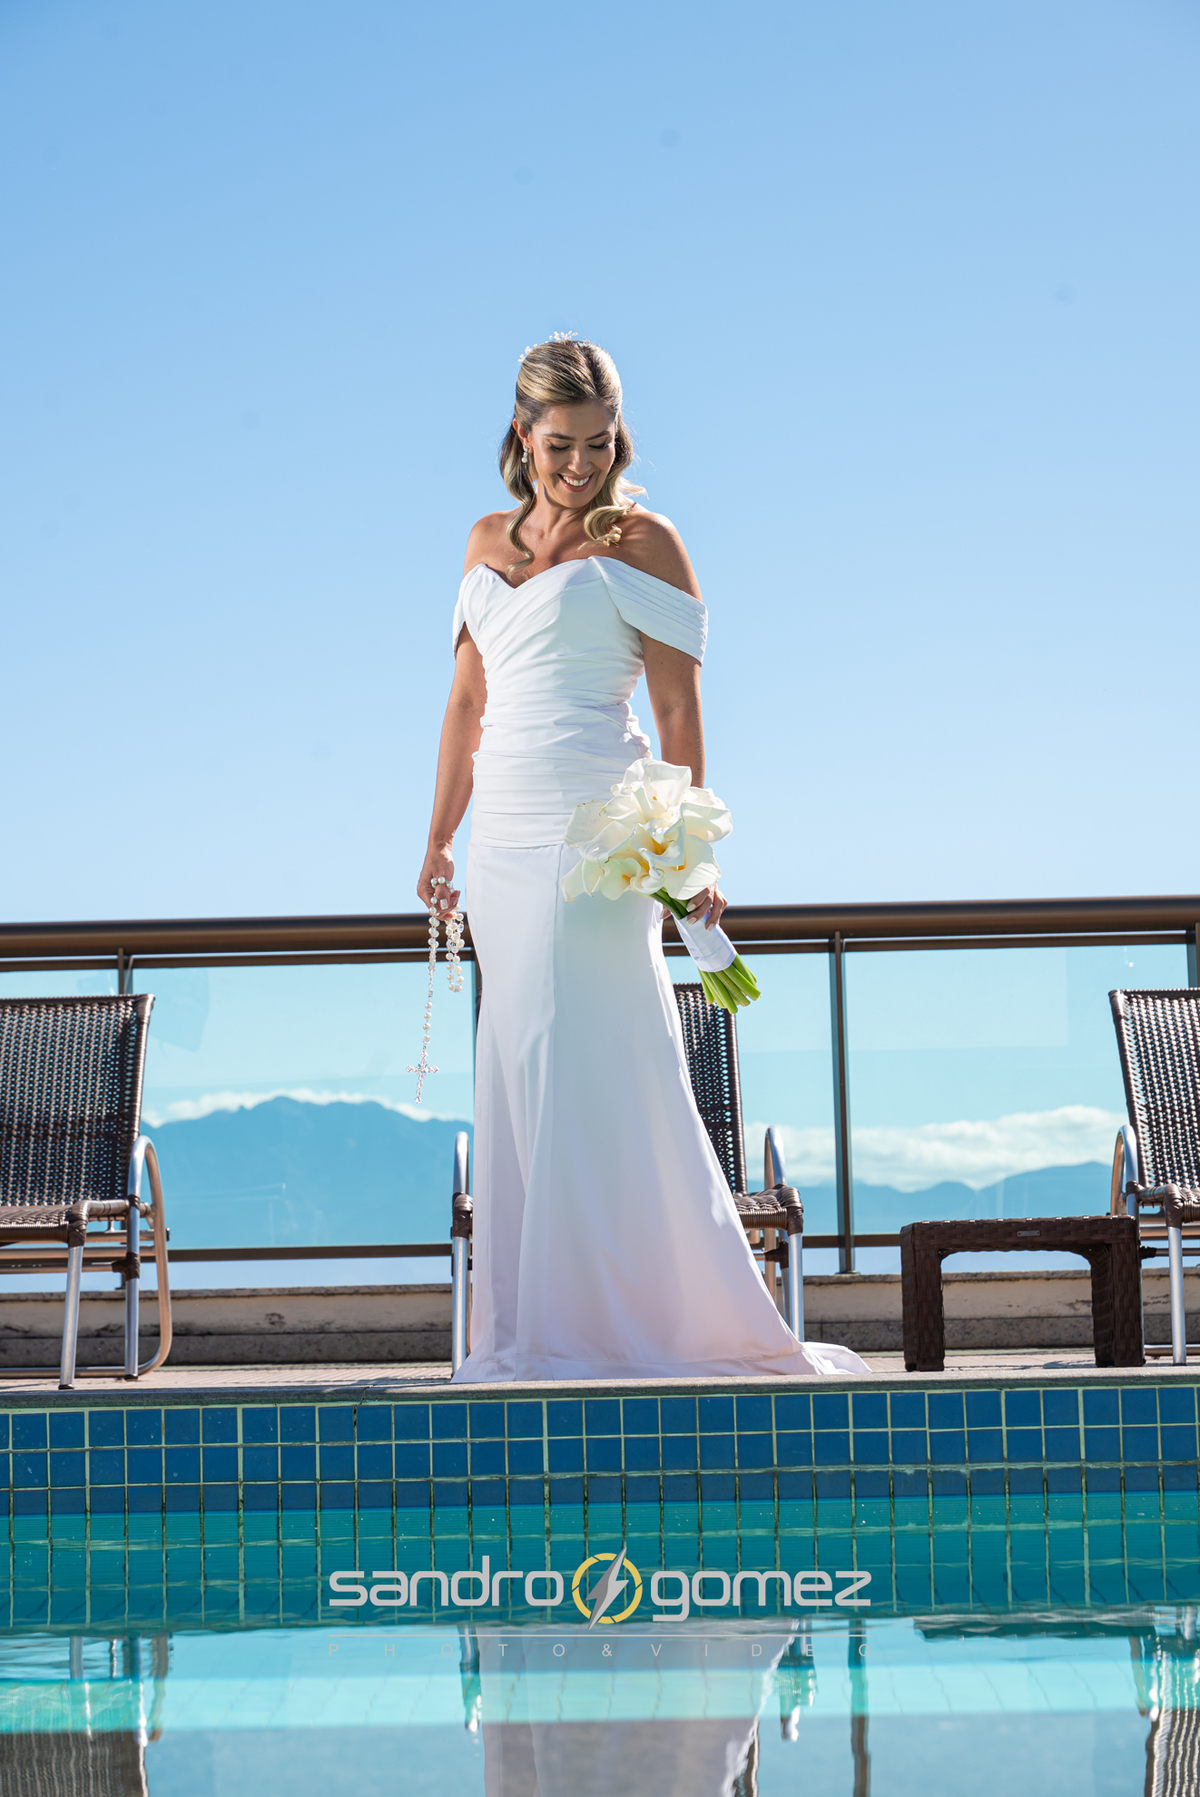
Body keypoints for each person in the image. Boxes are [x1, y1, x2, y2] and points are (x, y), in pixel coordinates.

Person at [418, 336, 866, 1382]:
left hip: (595, 841)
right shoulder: (483, 541)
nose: (581, 465)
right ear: (522, 435)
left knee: (582, 1060)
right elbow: (465, 704)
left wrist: (683, 850)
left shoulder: (646, 541)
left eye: (600, 442)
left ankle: (593, 1329)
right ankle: (540, 1325)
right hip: (500, 846)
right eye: (560, 445)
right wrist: (437, 838)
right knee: (524, 1069)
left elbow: (677, 711)